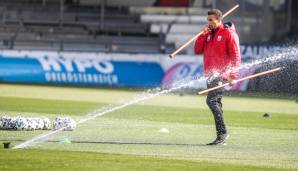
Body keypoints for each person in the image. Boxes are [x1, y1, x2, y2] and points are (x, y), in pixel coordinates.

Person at [194, 9, 241, 145]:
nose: (208, 23)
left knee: (211, 101)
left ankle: (223, 133)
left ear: (219, 20)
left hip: (222, 74)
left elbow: (236, 56)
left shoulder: (228, 34)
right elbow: (197, 50)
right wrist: (202, 35)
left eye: (211, 20)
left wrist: (233, 75)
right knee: (216, 103)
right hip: (209, 74)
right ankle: (221, 136)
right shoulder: (208, 34)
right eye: (207, 20)